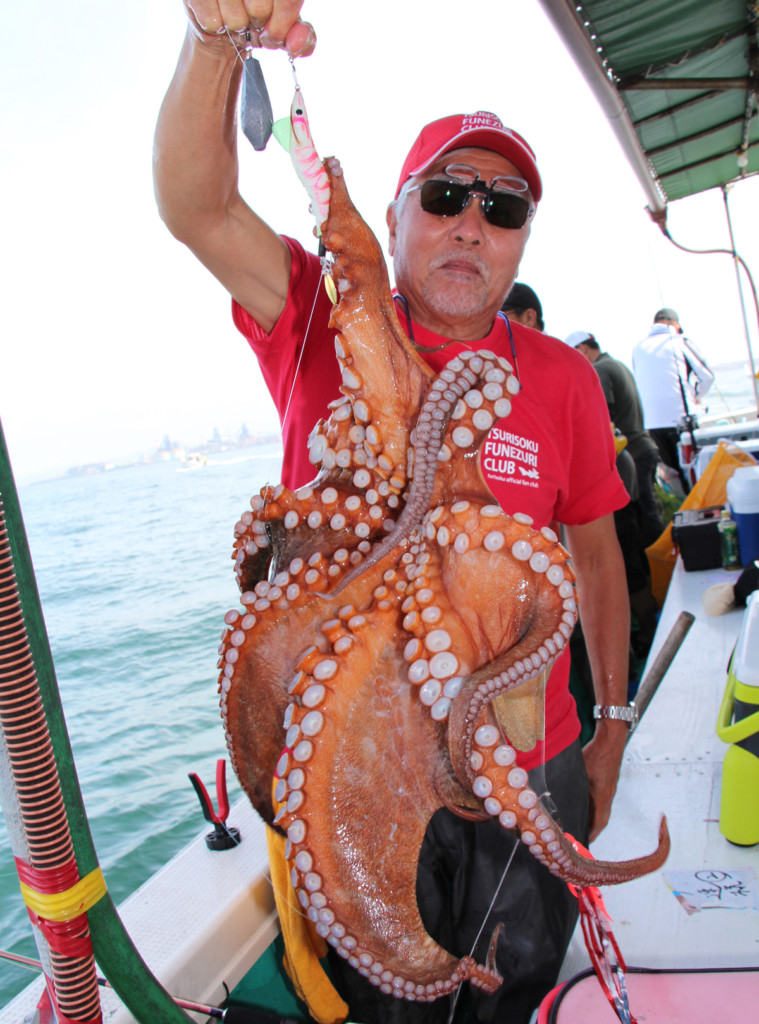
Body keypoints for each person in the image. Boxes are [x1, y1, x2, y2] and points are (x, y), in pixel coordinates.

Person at [153, 6, 632, 1022]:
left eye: (503, 210)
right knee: (383, 1001)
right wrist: (212, 41)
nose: (472, 222)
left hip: (529, 761)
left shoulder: (561, 378)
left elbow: (593, 556)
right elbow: (197, 206)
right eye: (448, 195)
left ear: (521, 242)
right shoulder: (312, 317)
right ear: (400, 212)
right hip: (356, 770)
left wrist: (614, 722)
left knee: (521, 993)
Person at [565, 331, 663, 546]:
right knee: (646, 513)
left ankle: (658, 574)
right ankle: (657, 571)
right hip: (645, 447)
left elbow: (602, 419)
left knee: (641, 520)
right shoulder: (618, 365)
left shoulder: (600, 370)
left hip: (632, 454)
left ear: (581, 350)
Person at [632, 308, 714, 493]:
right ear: (674, 324)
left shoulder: (638, 348)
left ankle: (685, 508)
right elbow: (707, 376)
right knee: (695, 471)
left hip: (652, 424)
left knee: (675, 475)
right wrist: (696, 396)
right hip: (681, 420)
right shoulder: (680, 342)